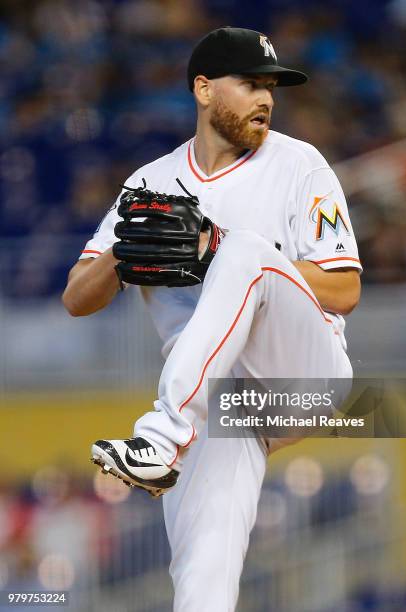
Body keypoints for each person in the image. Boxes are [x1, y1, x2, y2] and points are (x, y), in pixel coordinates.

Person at [62, 26, 362, 612]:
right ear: (203, 89)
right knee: (202, 581)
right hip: (221, 407)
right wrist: (127, 250)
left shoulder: (300, 165)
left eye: (271, 87)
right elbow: (77, 297)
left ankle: (161, 437)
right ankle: (172, 435)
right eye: (250, 83)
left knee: (244, 250)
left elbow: (346, 289)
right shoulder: (149, 184)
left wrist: (218, 247)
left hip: (303, 375)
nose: (266, 99)